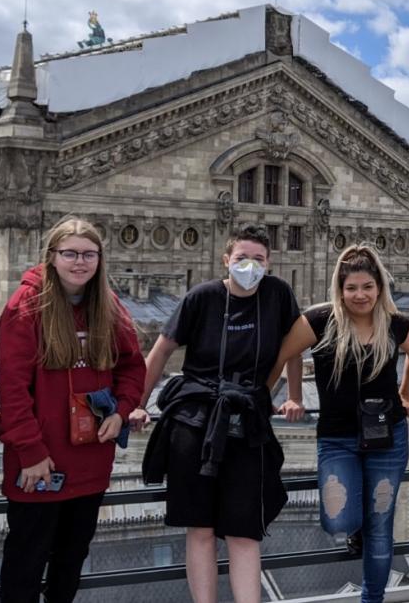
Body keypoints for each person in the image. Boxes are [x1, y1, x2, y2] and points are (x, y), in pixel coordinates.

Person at [135, 224, 302, 603]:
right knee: (201, 528)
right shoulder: (202, 297)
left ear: (269, 263)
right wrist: (138, 403)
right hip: (195, 423)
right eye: (242, 258)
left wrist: (294, 395)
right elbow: (160, 352)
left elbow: (296, 344)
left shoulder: (278, 294)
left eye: (258, 259)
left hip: (247, 423)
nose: (250, 265)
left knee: (244, 530)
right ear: (226, 260)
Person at [0, 217, 146, 602]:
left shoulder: (108, 305)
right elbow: (11, 388)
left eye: (88, 254)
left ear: (100, 259)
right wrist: (30, 453)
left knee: (71, 560)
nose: (79, 262)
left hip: (91, 460)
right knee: (25, 563)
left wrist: (122, 411)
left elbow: (132, 366)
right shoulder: (26, 305)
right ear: (51, 256)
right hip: (39, 465)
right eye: (70, 254)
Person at [269, 244, 409, 603]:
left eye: (367, 287)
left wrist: (406, 392)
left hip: (388, 435)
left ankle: (372, 598)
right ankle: (359, 529)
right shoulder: (319, 320)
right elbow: (285, 353)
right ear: (340, 290)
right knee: (338, 519)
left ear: (379, 288)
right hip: (337, 437)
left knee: (381, 526)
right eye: (351, 288)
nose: (360, 295)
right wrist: (289, 396)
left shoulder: (395, 323)